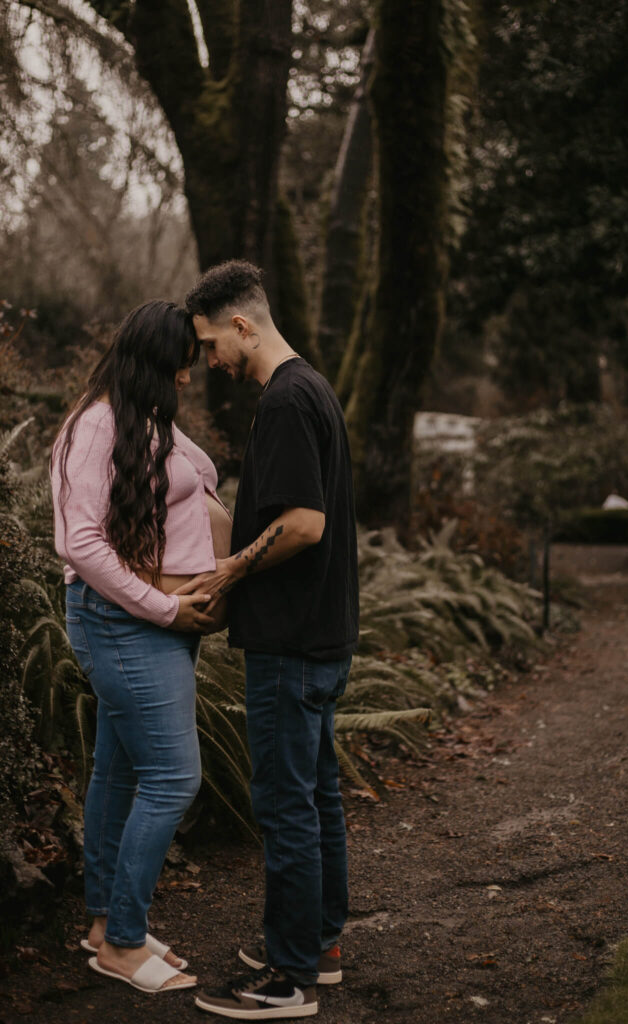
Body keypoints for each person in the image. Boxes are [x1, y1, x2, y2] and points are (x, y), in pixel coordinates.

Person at [181, 260, 359, 1019]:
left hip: (290, 642)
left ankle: (286, 980)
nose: (210, 361)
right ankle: (317, 946)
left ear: (242, 325)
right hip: (322, 634)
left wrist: (229, 571)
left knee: (285, 803)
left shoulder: (285, 401)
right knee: (315, 796)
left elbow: (303, 525)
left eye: (211, 343)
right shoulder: (311, 386)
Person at [50, 300, 233, 994]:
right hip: (124, 623)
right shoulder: (94, 426)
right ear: (156, 364)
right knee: (173, 778)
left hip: (150, 625)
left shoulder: (148, 423)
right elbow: (78, 543)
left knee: (121, 773)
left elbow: (196, 481)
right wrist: (164, 606)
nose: (189, 378)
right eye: (182, 365)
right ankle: (123, 942)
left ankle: (105, 925)